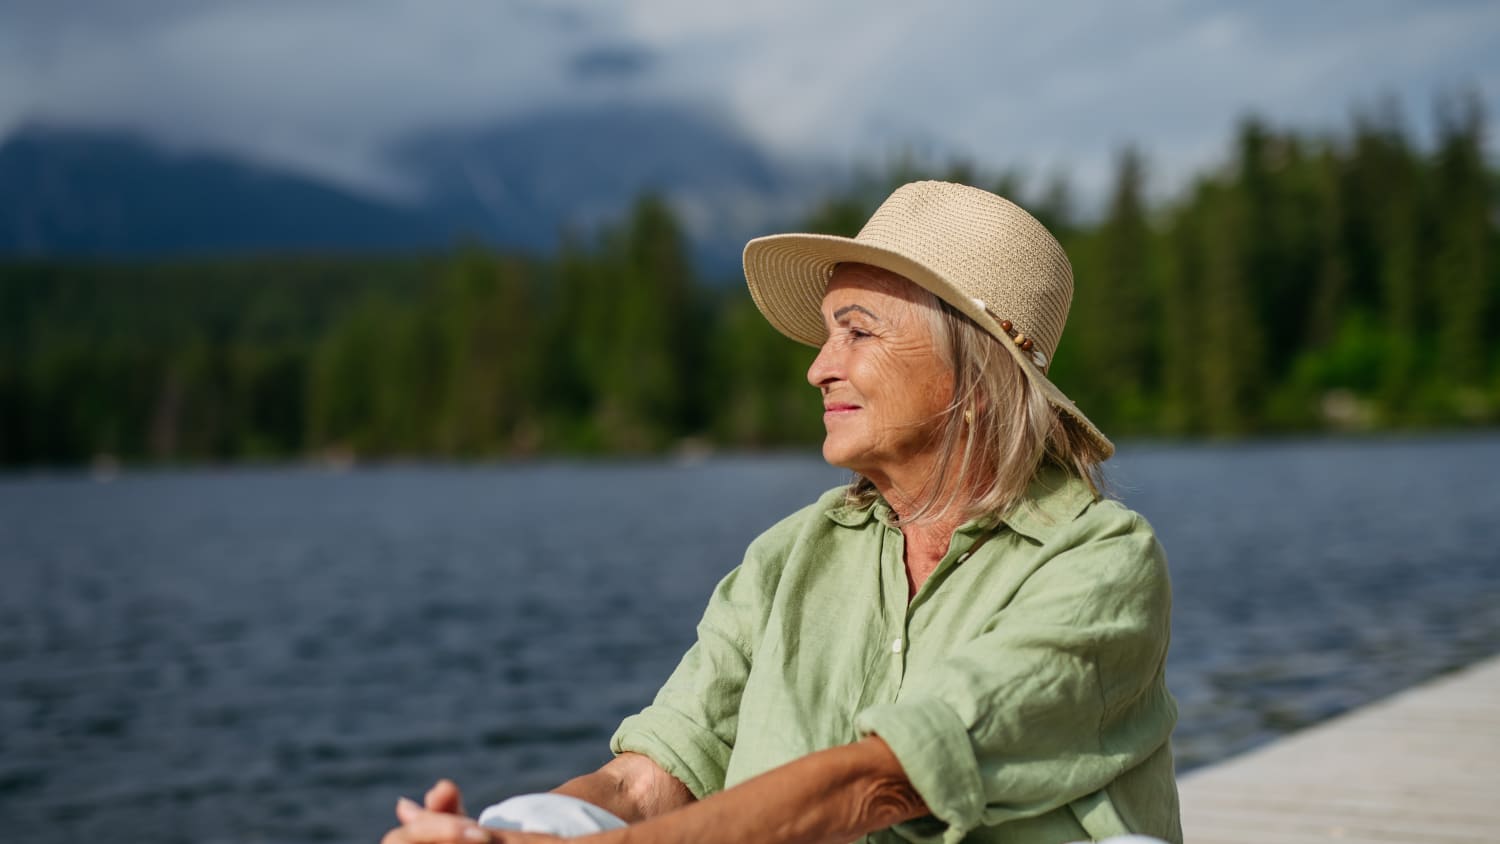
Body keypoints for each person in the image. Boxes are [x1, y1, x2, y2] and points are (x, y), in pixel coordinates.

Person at [383, 181, 1181, 844]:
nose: (818, 369)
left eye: (854, 332)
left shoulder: (1099, 560)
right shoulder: (788, 557)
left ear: (973, 377)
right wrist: (506, 832)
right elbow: (650, 776)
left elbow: (885, 779)